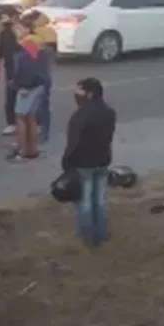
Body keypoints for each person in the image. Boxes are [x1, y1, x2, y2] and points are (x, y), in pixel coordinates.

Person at [62, 77, 117, 247]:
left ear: (90, 93)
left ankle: (87, 237)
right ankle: (101, 233)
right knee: (100, 199)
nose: (76, 94)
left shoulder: (79, 116)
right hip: (102, 161)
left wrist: (66, 163)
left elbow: (73, 144)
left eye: (80, 90)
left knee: (84, 202)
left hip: (83, 165)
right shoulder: (109, 112)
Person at [9, 20, 53, 161]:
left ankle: (22, 151)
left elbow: (27, 66)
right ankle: (32, 150)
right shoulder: (37, 41)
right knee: (31, 118)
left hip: (28, 86)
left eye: (18, 28)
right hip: (39, 84)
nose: (15, 31)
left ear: (27, 29)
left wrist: (17, 84)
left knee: (21, 117)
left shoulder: (28, 42)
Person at [34, 14, 58, 146]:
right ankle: (41, 130)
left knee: (42, 105)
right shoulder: (48, 32)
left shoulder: (44, 32)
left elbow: (46, 51)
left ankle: (43, 132)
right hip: (43, 75)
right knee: (41, 105)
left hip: (41, 77)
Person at [0, 14, 21, 136]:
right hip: (10, 68)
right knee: (11, 95)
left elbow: (34, 53)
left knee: (25, 94)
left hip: (22, 68)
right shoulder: (3, 34)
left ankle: (32, 122)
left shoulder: (26, 34)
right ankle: (12, 123)